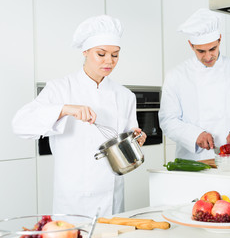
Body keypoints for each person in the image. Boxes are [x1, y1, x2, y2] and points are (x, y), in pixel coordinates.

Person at [12, 15, 147, 217]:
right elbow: (20, 125)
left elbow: (127, 136)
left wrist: (137, 139)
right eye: (101, 54)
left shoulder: (125, 95)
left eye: (115, 55)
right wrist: (65, 109)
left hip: (112, 195)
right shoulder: (60, 88)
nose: (109, 61)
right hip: (73, 197)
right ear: (85, 51)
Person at [159, 8, 230, 161]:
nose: (208, 56)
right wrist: (194, 135)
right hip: (192, 160)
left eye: (212, 49)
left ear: (220, 39)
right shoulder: (176, 76)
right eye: (201, 51)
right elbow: (168, 120)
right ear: (191, 45)